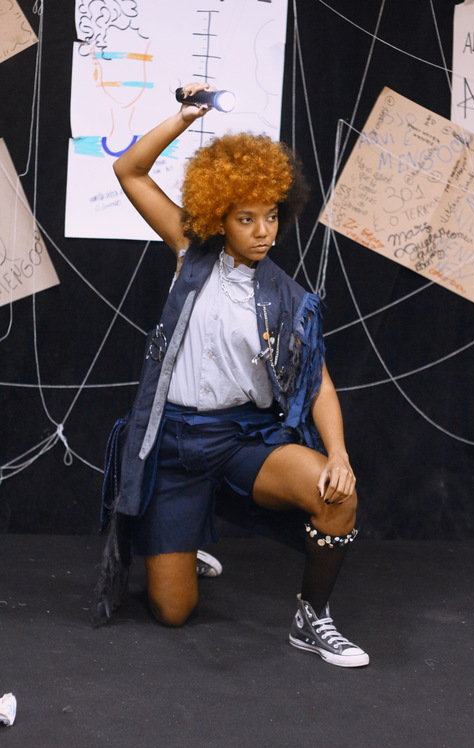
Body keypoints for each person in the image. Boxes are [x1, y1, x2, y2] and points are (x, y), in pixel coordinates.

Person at [106, 82, 369, 668]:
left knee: (337, 496)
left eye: (271, 217)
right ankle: (181, 537)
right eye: (246, 219)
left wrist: (339, 454)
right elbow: (129, 171)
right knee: (172, 612)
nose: (263, 231)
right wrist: (183, 118)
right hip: (173, 445)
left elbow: (318, 383)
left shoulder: (290, 299)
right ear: (218, 216)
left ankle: (312, 617)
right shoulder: (188, 251)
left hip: (240, 441)